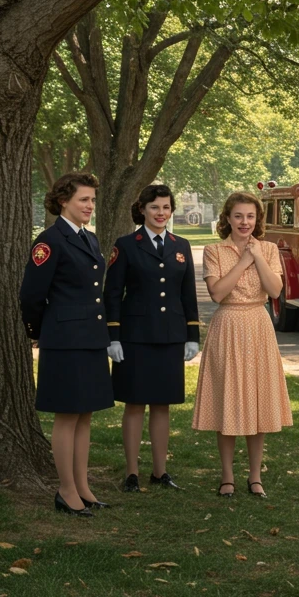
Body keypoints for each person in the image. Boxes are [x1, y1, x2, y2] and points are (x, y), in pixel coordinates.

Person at [20, 172, 113, 517]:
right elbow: (31, 296)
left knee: (85, 413)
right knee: (67, 415)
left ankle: (82, 485)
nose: (90, 206)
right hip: (64, 341)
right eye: (83, 200)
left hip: (90, 337)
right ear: (64, 202)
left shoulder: (88, 239)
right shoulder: (49, 240)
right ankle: (65, 490)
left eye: (92, 200)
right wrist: (43, 331)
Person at [192, 191, 292, 498]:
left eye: (250, 216)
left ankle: (254, 475)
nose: (244, 222)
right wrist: (243, 260)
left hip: (258, 326)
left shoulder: (270, 249)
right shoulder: (213, 250)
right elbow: (217, 293)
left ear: (257, 219)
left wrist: (257, 256)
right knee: (227, 398)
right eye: (238, 216)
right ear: (228, 218)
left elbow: (275, 291)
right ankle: (226, 476)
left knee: (258, 400)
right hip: (227, 326)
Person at [104, 183, 200, 492]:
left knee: (162, 405)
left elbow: (188, 295)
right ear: (143, 209)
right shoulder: (126, 244)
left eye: (166, 207)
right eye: (155, 207)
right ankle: (132, 472)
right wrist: (113, 336)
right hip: (135, 337)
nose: (161, 213)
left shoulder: (181, 245)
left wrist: (192, 335)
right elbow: (113, 293)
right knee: (134, 405)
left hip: (170, 335)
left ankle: (160, 472)